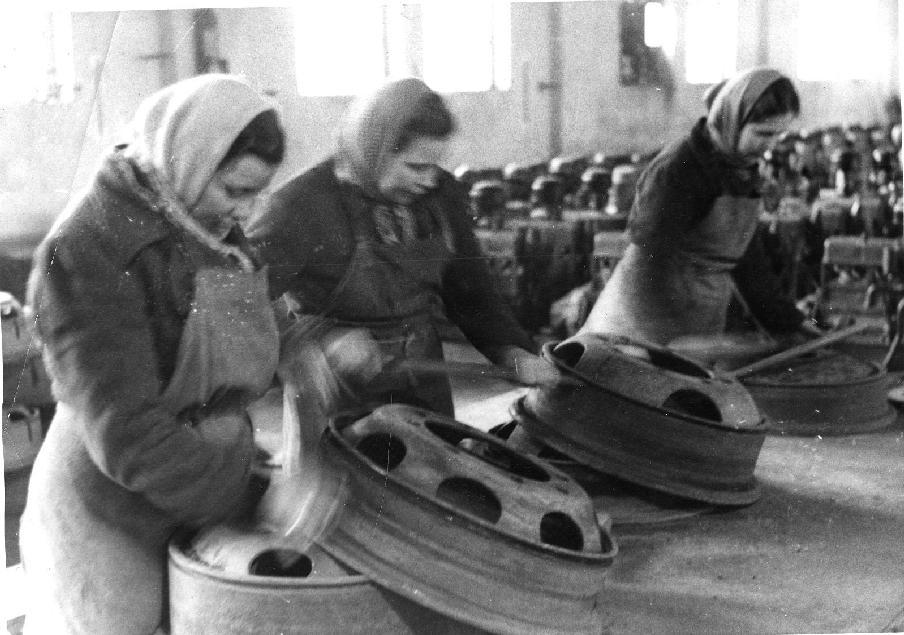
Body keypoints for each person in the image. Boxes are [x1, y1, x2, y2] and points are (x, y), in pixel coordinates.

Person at [20, 75, 286, 634]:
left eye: (257, 192)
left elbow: (240, 327)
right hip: (109, 507)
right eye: (236, 191)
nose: (246, 210)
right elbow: (127, 431)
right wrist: (239, 493)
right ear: (186, 157)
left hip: (194, 479)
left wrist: (304, 349)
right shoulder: (87, 247)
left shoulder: (200, 219)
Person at [248, 77, 556, 417]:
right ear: (375, 149)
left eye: (434, 166)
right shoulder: (301, 205)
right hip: (337, 401)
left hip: (425, 394)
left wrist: (512, 351)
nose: (428, 180)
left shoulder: (440, 197)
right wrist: (319, 341)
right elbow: (239, 304)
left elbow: (472, 293)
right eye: (415, 167)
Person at [580, 67, 818, 345]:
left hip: (695, 328)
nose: (769, 146)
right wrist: (662, 343)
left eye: (778, 136)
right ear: (732, 118)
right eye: (763, 134)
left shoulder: (741, 170)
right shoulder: (680, 169)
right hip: (638, 328)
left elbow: (749, 265)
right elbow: (647, 265)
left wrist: (793, 322)